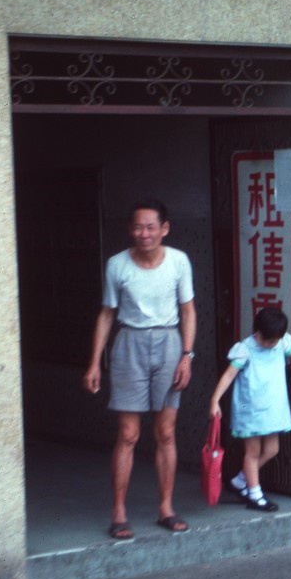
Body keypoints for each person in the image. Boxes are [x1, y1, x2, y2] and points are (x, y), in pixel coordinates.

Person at [84, 200, 197, 539]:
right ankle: (118, 511)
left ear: (165, 228)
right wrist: (94, 361)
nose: (143, 233)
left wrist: (187, 356)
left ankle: (166, 507)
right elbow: (107, 314)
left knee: (165, 432)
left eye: (150, 227)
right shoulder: (117, 265)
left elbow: (188, 310)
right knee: (129, 434)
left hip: (169, 343)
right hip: (129, 343)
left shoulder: (178, 261)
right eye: (137, 227)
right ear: (130, 229)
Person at [208, 308, 291, 511]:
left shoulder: (282, 343)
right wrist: (215, 400)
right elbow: (228, 376)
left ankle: (240, 481)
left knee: (272, 450)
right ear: (256, 331)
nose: (269, 344)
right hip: (247, 407)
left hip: (272, 409)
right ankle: (255, 495)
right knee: (252, 452)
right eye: (266, 340)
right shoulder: (244, 349)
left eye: (273, 341)